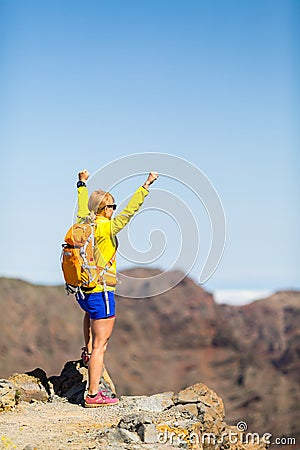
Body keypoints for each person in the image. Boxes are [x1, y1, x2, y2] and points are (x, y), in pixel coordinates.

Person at [75, 169, 158, 407]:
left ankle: (87, 352)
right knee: (103, 344)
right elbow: (130, 212)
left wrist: (82, 184)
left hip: (83, 290)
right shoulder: (106, 228)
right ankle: (92, 395)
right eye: (112, 206)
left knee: (89, 316)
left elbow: (81, 205)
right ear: (103, 209)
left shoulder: (84, 223)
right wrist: (146, 186)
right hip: (101, 290)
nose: (114, 209)